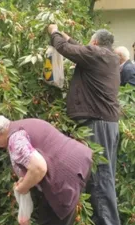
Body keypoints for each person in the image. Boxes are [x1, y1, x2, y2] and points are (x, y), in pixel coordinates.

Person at [48, 25, 121, 225]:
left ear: (95, 43)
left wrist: (54, 32)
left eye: (90, 42)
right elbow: (78, 48)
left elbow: (67, 49)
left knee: (99, 176)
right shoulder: (107, 56)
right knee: (102, 175)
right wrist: (67, 37)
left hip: (97, 123)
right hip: (105, 122)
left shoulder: (96, 54)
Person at [0, 114, 92, 225]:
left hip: (65, 174)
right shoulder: (24, 124)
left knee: (52, 219)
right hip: (79, 161)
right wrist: (26, 180)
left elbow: (39, 168)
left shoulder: (15, 140)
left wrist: (23, 187)